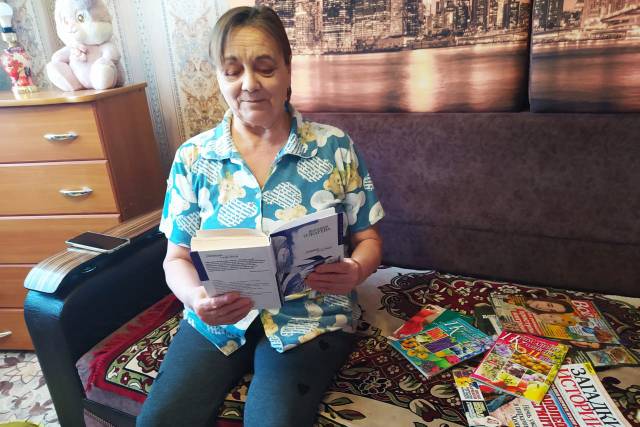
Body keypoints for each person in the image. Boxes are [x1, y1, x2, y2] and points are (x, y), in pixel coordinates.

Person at [136, 6, 384, 427]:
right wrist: (197, 299)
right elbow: (175, 257)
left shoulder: (334, 148)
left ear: (288, 69)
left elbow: (369, 239)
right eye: (232, 71)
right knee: (158, 421)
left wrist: (356, 270)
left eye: (265, 68)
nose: (249, 84)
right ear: (219, 76)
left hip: (310, 317)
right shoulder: (194, 158)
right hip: (219, 319)